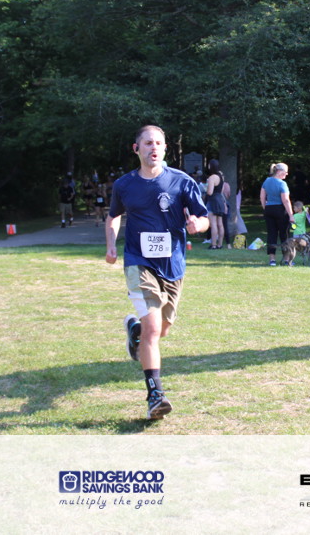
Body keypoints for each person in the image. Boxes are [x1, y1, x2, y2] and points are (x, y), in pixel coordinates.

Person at [105, 125, 208, 420]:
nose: (154, 148)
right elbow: (113, 216)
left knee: (161, 330)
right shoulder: (125, 185)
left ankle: (135, 330)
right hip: (138, 261)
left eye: (159, 143)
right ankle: (155, 395)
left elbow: (204, 217)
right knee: (153, 329)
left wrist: (197, 225)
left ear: (164, 148)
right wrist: (111, 245)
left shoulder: (181, 181)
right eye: (148, 143)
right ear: (136, 148)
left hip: (173, 264)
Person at [260, 162, 292, 267]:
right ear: (279, 171)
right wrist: (291, 215)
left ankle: (272, 260)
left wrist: (265, 208)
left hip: (269, 209)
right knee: (284, 235)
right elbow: (285, 200)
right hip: (280, 210)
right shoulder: (282, 183)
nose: (287, 174)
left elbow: (262, 197)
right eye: (285, 172)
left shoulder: (266, 181)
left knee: (271, 235)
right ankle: (286, 259)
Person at [205, 159, 228, 250]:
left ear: (211, 166)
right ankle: (220, 244)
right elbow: (221, 190)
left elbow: (210, 192)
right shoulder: (221, 177)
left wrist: (206, 188)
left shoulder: (212, 177)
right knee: (220, 224)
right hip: (220, 200)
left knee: (213, 223)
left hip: (213, 201)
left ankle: (213, 244)